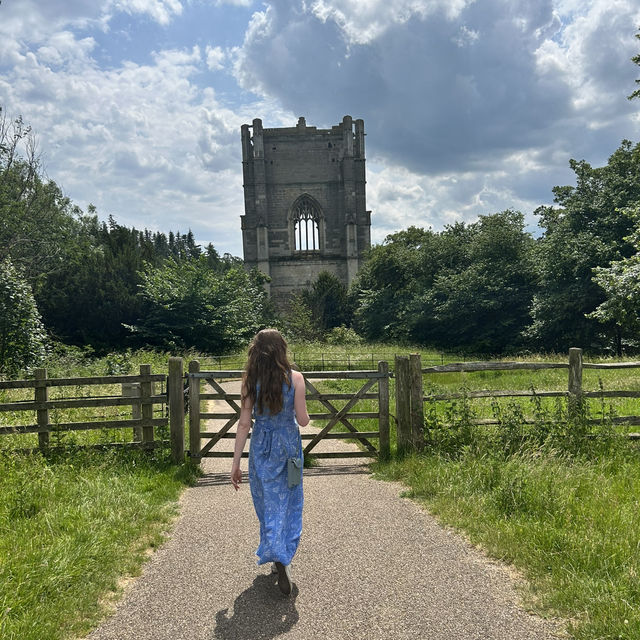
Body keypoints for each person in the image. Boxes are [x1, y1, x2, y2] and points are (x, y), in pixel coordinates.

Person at [231, 328, 310, 595]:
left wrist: (235, 463)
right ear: (282, 350)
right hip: (289, 450)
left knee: (266, 502)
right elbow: (302, 420)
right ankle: (283, 554)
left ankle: (276, 553)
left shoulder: (249, 381)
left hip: (261, 448)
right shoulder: (296, 378)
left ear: (256, 351)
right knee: (289, 500)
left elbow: (243, 424)